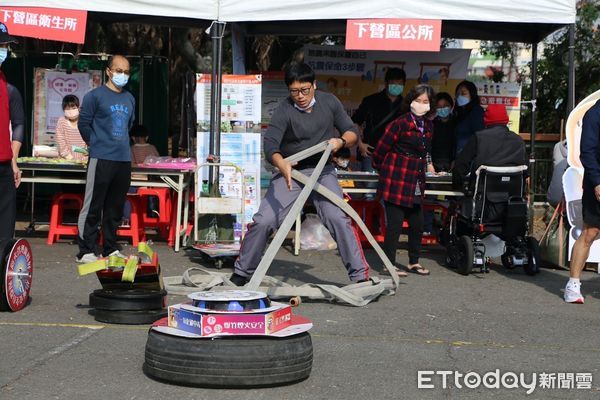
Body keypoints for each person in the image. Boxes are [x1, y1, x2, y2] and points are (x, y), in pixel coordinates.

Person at [230, 63, 369, 286]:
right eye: (294, 91)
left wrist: (340, 141)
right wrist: (281, 164)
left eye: (305, 90)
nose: (300, 96)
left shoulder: (329, 101)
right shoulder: (285, 109)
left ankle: (360, 276)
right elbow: (271, 144)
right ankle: (242, 272)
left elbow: (352, 131)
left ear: (314, 85)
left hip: (323, 171)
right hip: (291, 172)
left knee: (337, 218)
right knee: (264, 220)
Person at [76, 55, 136, 263]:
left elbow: (129, 126)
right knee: (93, 204)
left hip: (122, 159)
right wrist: (96, 142)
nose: (123, 74)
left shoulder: (129, 98)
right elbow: (83, 123)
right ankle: (85, 250)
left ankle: (110, 247)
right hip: (101, 157)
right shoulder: (95, 96)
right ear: (109, 71)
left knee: (115, 206)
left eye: (127, 71)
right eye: (119, 70)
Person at [372, 84, 436, 277]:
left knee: (418, 223)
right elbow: (381, 148)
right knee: (395, 225)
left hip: (416, 179)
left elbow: (426, 152)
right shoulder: (400, 123)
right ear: (410, 102)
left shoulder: (430, 126)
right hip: (396, 178)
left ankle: (414, 262)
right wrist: (384, 170)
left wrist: (429, 165)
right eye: (418, 100)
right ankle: (388, 264)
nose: (421, 104)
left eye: (425, 101)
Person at [564, 99, 600, 304]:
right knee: (590, 232)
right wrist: (596, 181)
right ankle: (573, 285)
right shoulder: (594, 113)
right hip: (598, 180)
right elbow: (587, 152)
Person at [453, 104, 527, 193]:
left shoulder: (478, 137)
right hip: (512, 196)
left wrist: (459, 185)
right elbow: (526, 170)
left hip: (483, 195)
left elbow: (461, 165)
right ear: (506, 119)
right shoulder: (518, 140)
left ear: (486, 119)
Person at [352, 67, 406, 174]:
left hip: (397, 155)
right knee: (370, 186)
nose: (396, 86)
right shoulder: (371, 101)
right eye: (393, 83)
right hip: (371, 152)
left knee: (392, 188)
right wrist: (360, 144)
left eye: (399, 83)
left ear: (404, 85)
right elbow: (354, 123)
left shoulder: (407, 105)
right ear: (386, 83)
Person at [0, 23, 23, 241]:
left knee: (5, 229)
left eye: (5, 45)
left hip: (4, 165)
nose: (4, 50)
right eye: (1, 45)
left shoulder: (8, 87)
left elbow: (17, 124)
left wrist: (14, 160)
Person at [453, 80, 484, 156]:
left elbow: (479, 135)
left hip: (470, 156)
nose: (460, 96)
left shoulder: (477, 111)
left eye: (463, 93)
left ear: (472, 95)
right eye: (458, 94)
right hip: (459, 154)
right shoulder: (458, 113)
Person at [55, 95, 88, 162]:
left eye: (73, 108)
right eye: (67, 109)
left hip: (84, 160)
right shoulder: (62, 121)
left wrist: (86, 156)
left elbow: (89, 139)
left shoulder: (85, 120)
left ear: (78, 107)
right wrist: (69, 157)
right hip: (65, 161)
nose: (70, 111)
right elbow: (60, 140)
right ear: (63, 110)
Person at [430, 92, 455, 172]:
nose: (442, 108)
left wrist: (455, 160)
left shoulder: (457, 123)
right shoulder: (431, 124)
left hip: (452, 163)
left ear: (451, 106)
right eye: (439, 106)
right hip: (434, 164)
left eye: (445, 106)